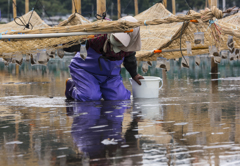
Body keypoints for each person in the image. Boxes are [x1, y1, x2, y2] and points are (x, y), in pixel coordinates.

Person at [65, 16, 143, 101]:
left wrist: (134, 75)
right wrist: (64, 45)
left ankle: (98, 89)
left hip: (110, 76)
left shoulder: (129, 48)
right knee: (90, 97)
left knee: (119, 99)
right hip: (85, 71)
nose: (118, 39)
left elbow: (130, 60)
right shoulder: (99, 36)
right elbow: (77, 45)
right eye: (117, 36)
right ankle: (71, 87)